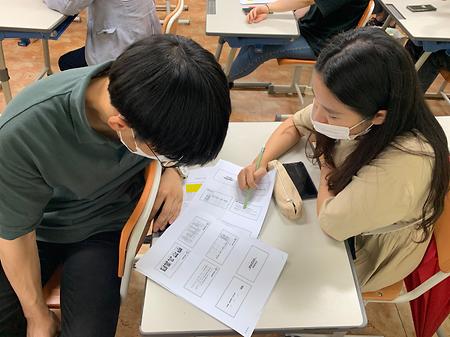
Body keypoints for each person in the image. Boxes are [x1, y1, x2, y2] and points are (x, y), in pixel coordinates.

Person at [0, 34, 231, 337]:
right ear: (120, 126)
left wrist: (174, 171)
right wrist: (37, 317)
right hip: (37, 230)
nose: (167, 157)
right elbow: (15, 234)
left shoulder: (147, 96)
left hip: (103, 228)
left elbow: (173, 134)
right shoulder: (23, 132)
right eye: (166, 152)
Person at [237, 27, 449, 292]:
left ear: (379, 116)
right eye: (316, 100)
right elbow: (295, 125)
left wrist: (327, 162)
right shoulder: (357, 103)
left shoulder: (404, 164)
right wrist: (259, 163)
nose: (317, 117)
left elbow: (331, 221)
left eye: (332, 115)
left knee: (291, 286)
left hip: (370, 249)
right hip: (348, 209)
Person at [228, 0, 369, 82]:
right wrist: (272, 12)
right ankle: (225, 80)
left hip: (322, 43)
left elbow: (306, 1)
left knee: (259, 49)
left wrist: (268, 8)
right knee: (256, 40)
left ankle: (221, 84)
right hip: (309, 28)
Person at [43, 0, 161, 70]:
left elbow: (69, 5)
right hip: (145, 38)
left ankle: (90, 104)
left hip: (123, 50)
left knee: (65, 63)